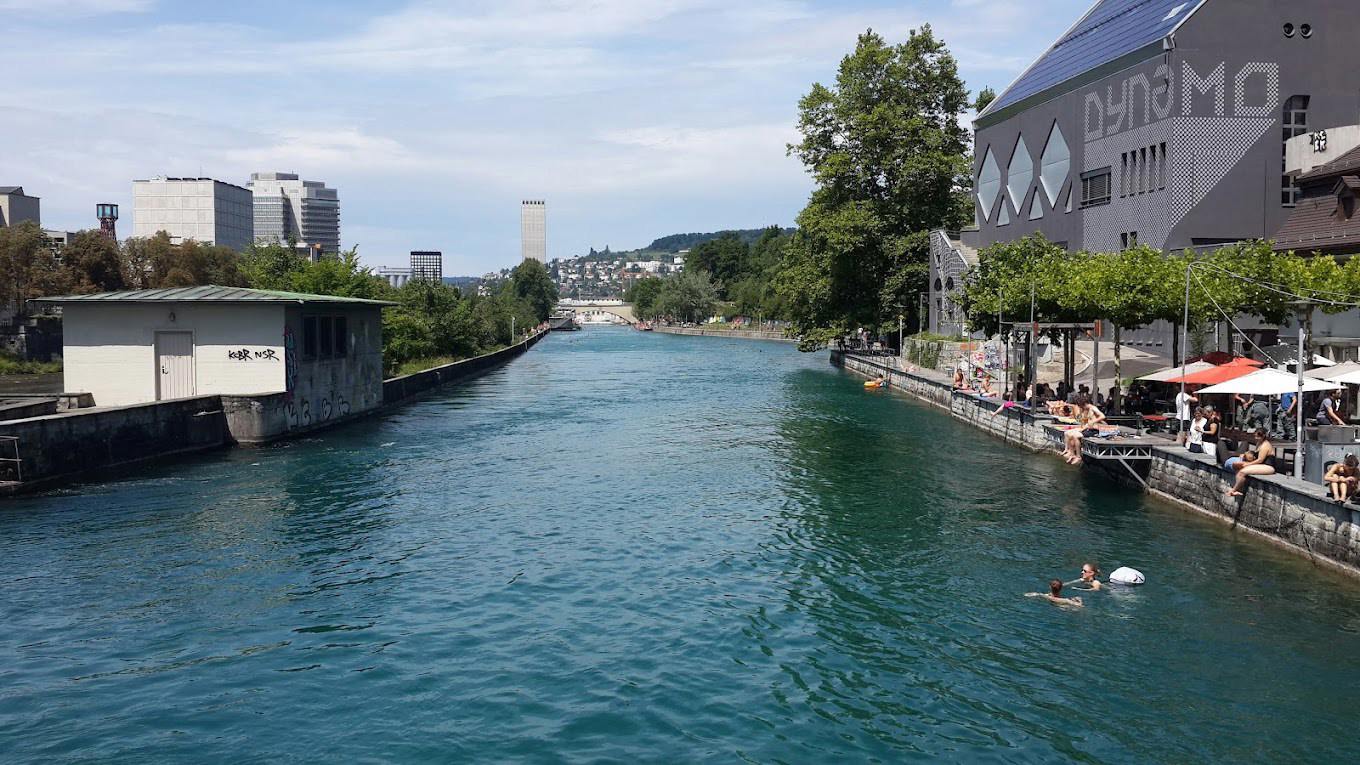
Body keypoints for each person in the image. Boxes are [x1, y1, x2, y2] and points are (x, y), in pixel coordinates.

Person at [1225, 428, 1276, 497]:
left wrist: (1248, 464)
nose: (1256, 438)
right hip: (1261, 465)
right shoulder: (1259, 443)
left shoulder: (1265, 445)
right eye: (1255, 436)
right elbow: (1254, 455)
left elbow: (1260, 460)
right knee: (1239, 467)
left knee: (1242, 472)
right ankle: (1239, 488)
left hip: (1268, 466)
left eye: (1257, 437)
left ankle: (1233, 491)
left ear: (1263, 436)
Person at [1062, 395, 1106, 465]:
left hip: (1095, 430)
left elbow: (1103, 416)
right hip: (1088, 429)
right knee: (1068, 433)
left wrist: (1094, 421)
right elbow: (1082, 420)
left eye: (1081, 406)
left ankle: (1078, 456)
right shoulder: (1085, 409)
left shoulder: (1093, 408)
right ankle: (1071, 453)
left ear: (1084, 404)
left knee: (1075, 436)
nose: (1081, 407)